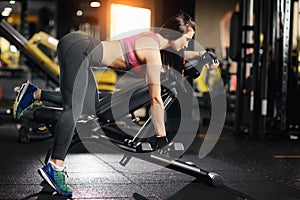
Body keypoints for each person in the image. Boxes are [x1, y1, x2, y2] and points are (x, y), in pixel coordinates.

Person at [13, 12, 219, 196]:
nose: (187, 44)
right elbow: (156, 99)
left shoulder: (154, 42)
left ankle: (34, 93)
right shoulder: (152, 51)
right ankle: (55, 167)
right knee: (73, 109)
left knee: (87, 104)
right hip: (79, 49)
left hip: (81, 51)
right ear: (175, 34)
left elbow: (180, 53)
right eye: (187, 39)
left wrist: (202, 55)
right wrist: (161, 136)